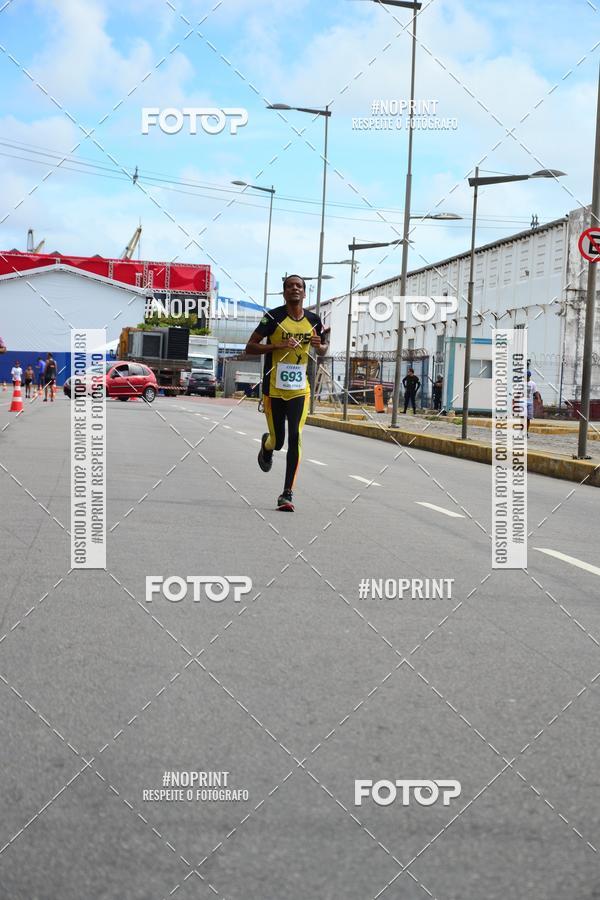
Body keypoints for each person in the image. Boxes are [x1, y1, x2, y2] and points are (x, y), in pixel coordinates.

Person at [245, 274, 328, 511]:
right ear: (284, 292)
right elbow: (250, 347)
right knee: (279, 440)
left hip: (300, 391)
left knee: (295, 437)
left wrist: (318, 345)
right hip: (273, 389)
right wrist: (277, 345)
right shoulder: (273, 317)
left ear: (304, 293)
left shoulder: (313, 320)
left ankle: (287, 494)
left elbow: (323, 349)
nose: (294, 289)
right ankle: (267, 445)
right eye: (290, 286)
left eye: (299, 286)